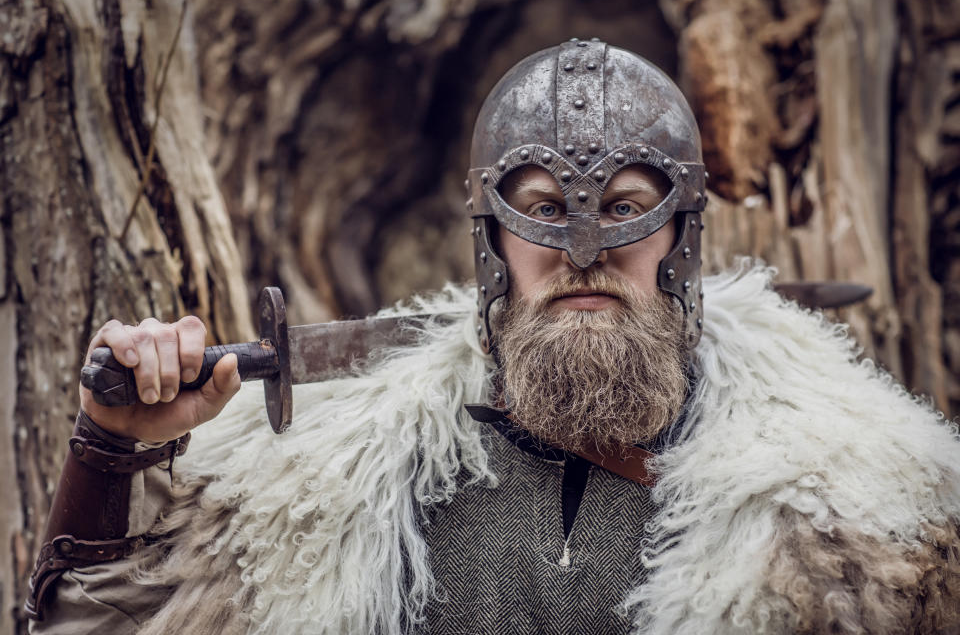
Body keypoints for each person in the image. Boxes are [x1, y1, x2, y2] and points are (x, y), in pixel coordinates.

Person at [27, 40, 960, 635]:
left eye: (629, 208)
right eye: (547, 209)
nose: (587, 249)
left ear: (683, 233)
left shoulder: (857, 505)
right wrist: (109, 449)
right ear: (493, 240)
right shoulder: (324, 497)